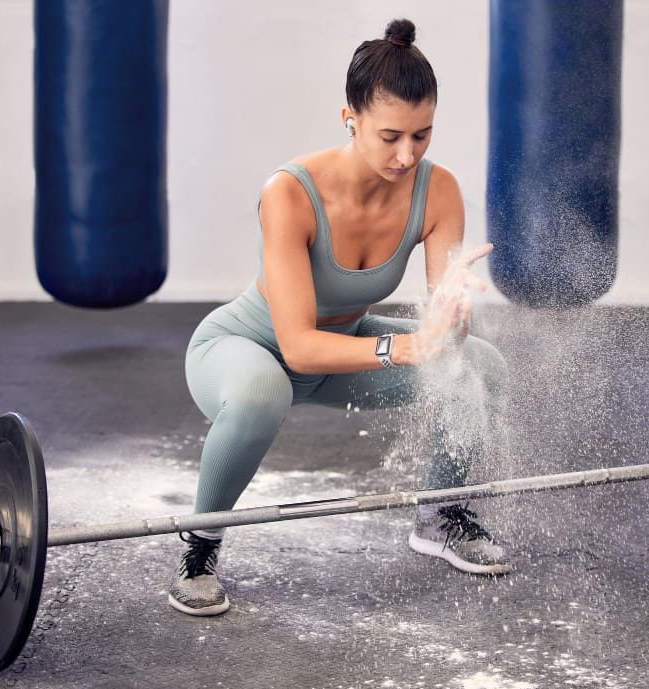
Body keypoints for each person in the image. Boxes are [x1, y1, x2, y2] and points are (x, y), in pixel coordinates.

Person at [169, 18, 510, 617]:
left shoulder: (440, 192)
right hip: (250, 348)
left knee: (480, 365)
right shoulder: (290, 192)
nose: (407, 155)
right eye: (390, 136)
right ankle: (200, 548)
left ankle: (441, 512)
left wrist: (453, 316)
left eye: (422, 136)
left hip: (345, 351)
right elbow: (298, 346)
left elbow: (442, 332)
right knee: (262, 390)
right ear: (349, 115)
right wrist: (406, 349)